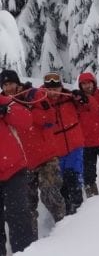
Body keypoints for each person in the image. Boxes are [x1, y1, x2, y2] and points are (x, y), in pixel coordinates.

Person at [0, 70, 66, 235]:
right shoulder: (3, 103)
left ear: (18, 82)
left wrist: (26, 111)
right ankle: (31, 243)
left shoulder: (33, 95)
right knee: (27, 205)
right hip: (23, 162)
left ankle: (65, 228)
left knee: (50, 194)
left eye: (11, 83)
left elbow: (50, 118)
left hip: (46, 155)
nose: (8, 88)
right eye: (5, 85)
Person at [42, 72, 97, 215]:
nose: (54, 92)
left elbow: (89, 107)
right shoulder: (41, 101)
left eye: (57, 88)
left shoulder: (70, 98)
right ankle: (65, 213)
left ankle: (78, 210)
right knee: (61, 183)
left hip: (74, 145)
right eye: (50, 89)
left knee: (74, 177)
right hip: (55, 149)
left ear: (61, 87)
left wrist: (83, 98)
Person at [0, 93, 36, 255]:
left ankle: (25, 252)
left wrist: (6, 111)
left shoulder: (5, 102)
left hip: (13, 169)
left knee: (19, 216)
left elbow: (27, 120)